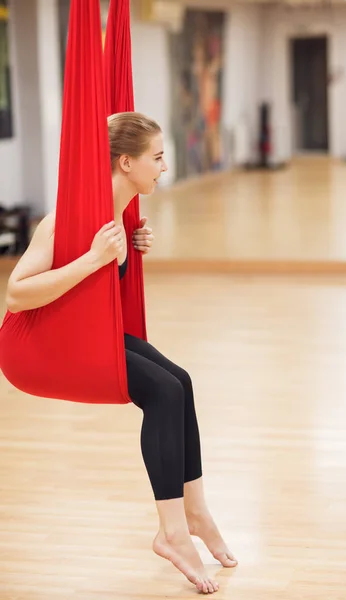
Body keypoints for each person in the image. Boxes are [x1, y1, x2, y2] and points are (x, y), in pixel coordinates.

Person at [5, 112, 237, 595]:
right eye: (157, 157)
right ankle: (172, 531)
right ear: (126, 162)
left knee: (181, 383)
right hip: (35, 348)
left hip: (75, 335)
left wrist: (126, 251)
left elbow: (96, 293)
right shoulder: (66, 219)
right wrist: (94, 259)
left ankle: (194, 512)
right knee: (162, 393)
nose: (165, 167)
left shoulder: (119, 218)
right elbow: (16, 294)